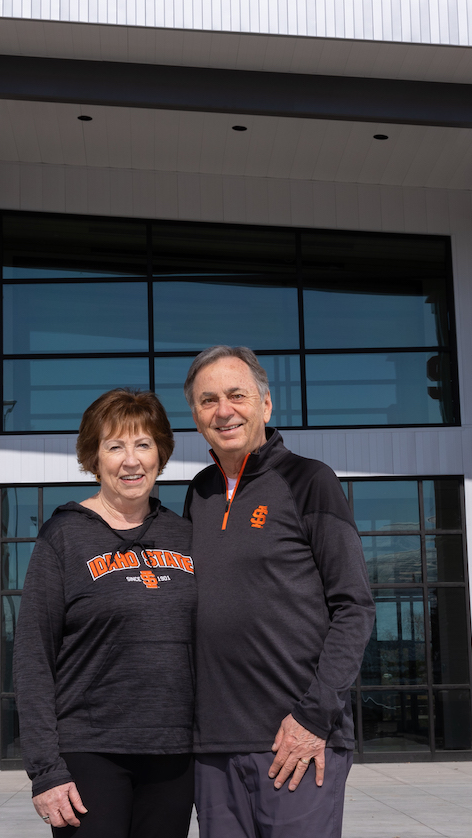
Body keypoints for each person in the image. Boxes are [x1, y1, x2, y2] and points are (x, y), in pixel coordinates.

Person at [182, 346, 375, 838]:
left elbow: (354, 608)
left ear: (266, 406)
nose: (223, 410)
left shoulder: (310, 481)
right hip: (213, 749)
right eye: (208, 400)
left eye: (236, 395)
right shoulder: (198, 494)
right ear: (196, 416)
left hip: (297, 741)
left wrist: (313, 719)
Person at [15, 389, 197, 837]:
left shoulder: (186, 535)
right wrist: (45, 769)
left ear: (161, 454)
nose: (131, 460)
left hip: (174, 753)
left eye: (143, 444)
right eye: (115, 446)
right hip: (89, 753)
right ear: (94, 458)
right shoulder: (64, 536)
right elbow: (33, 656)